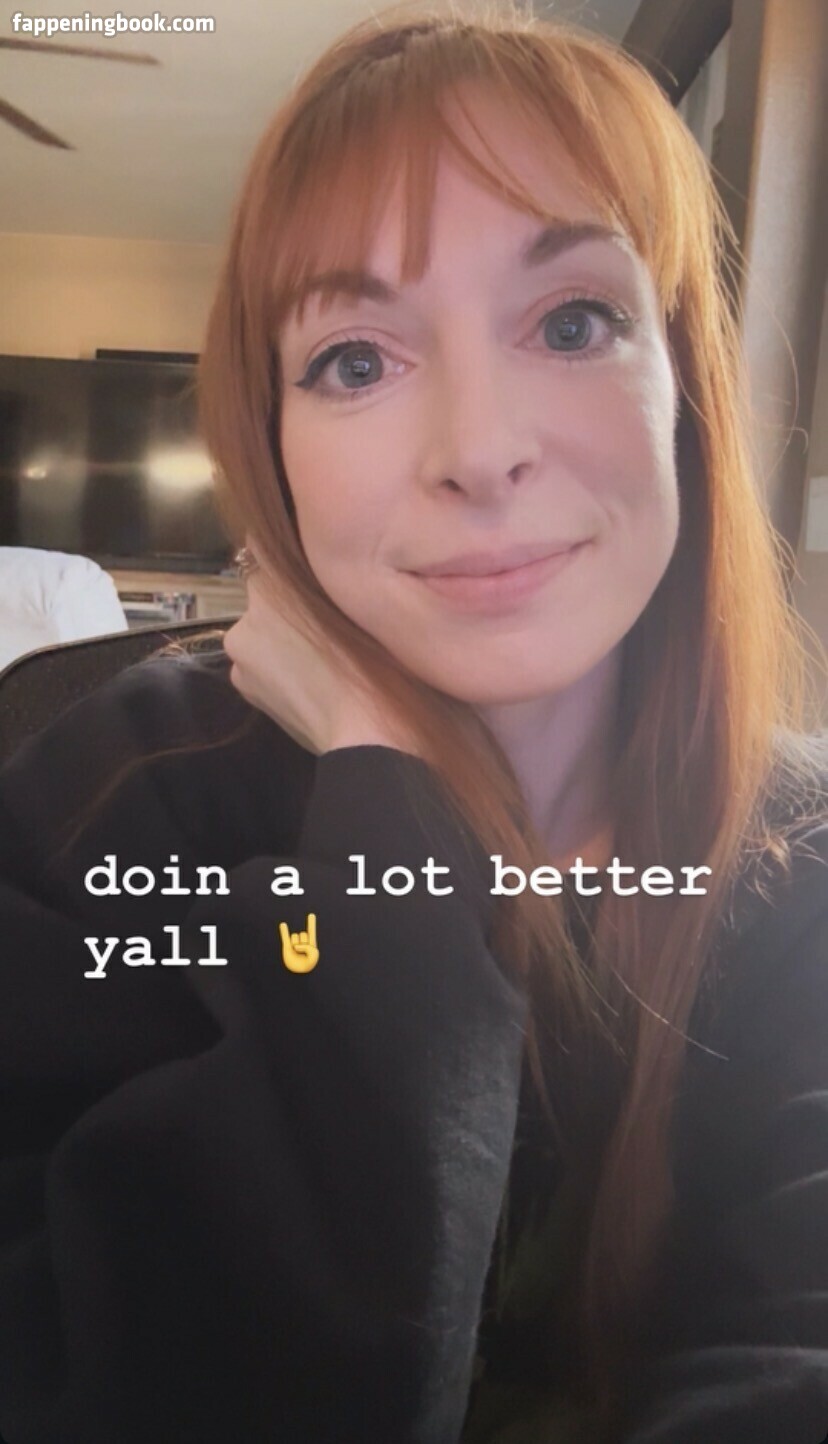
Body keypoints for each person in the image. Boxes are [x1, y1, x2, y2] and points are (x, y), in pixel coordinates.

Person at [1, 4, 826, 1442]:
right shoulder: (116, 799)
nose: (478, 452)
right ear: (272, 448)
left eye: (573, 323)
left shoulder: (804, 864)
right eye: (356, 361)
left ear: (687, 390)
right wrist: (388, 807)